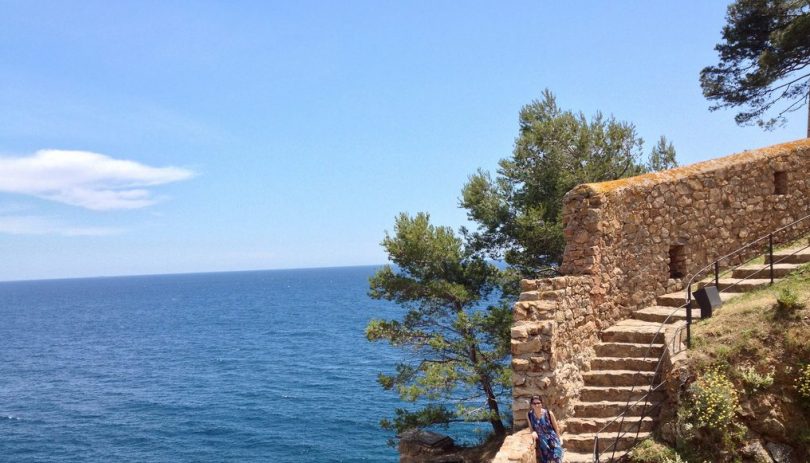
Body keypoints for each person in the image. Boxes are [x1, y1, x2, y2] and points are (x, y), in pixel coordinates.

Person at [527, 395, 563, 463]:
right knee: (546, 460)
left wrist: (559, 439)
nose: (536, 405)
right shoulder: (529, 415)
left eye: (538, 403)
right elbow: (531, 428)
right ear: (531, 405)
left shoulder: (548, 413)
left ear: (541, 404)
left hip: (553, 440)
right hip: (543, 443)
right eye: (534, 403)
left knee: (556, 458)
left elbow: (556, 427)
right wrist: (533, 432)